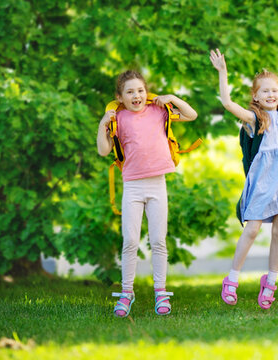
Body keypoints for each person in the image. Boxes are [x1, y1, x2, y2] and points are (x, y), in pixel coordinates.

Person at [210, 43, 278, 309]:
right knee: (252, 229)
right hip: (264, 182)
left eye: (275, 90)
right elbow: (227, 103)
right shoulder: (254, 119)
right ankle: (232, 278)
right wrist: (222, 72)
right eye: (265, 91)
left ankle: (270, 281)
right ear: (256, 96)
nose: (271, 94)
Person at [96, 70, 198, 317]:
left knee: (158, 240)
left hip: (157, 184)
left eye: (140, 90)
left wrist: (171, 97)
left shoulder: (159, 110)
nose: (136, 96)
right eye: (130, 92)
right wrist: (102, 124)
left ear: (147, 92)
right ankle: (126, 292)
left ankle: (160, 291)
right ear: (120, 97)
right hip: (132, 185)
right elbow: (103, 150)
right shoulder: (117, 118)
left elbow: (191, 115)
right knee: (130, 241)